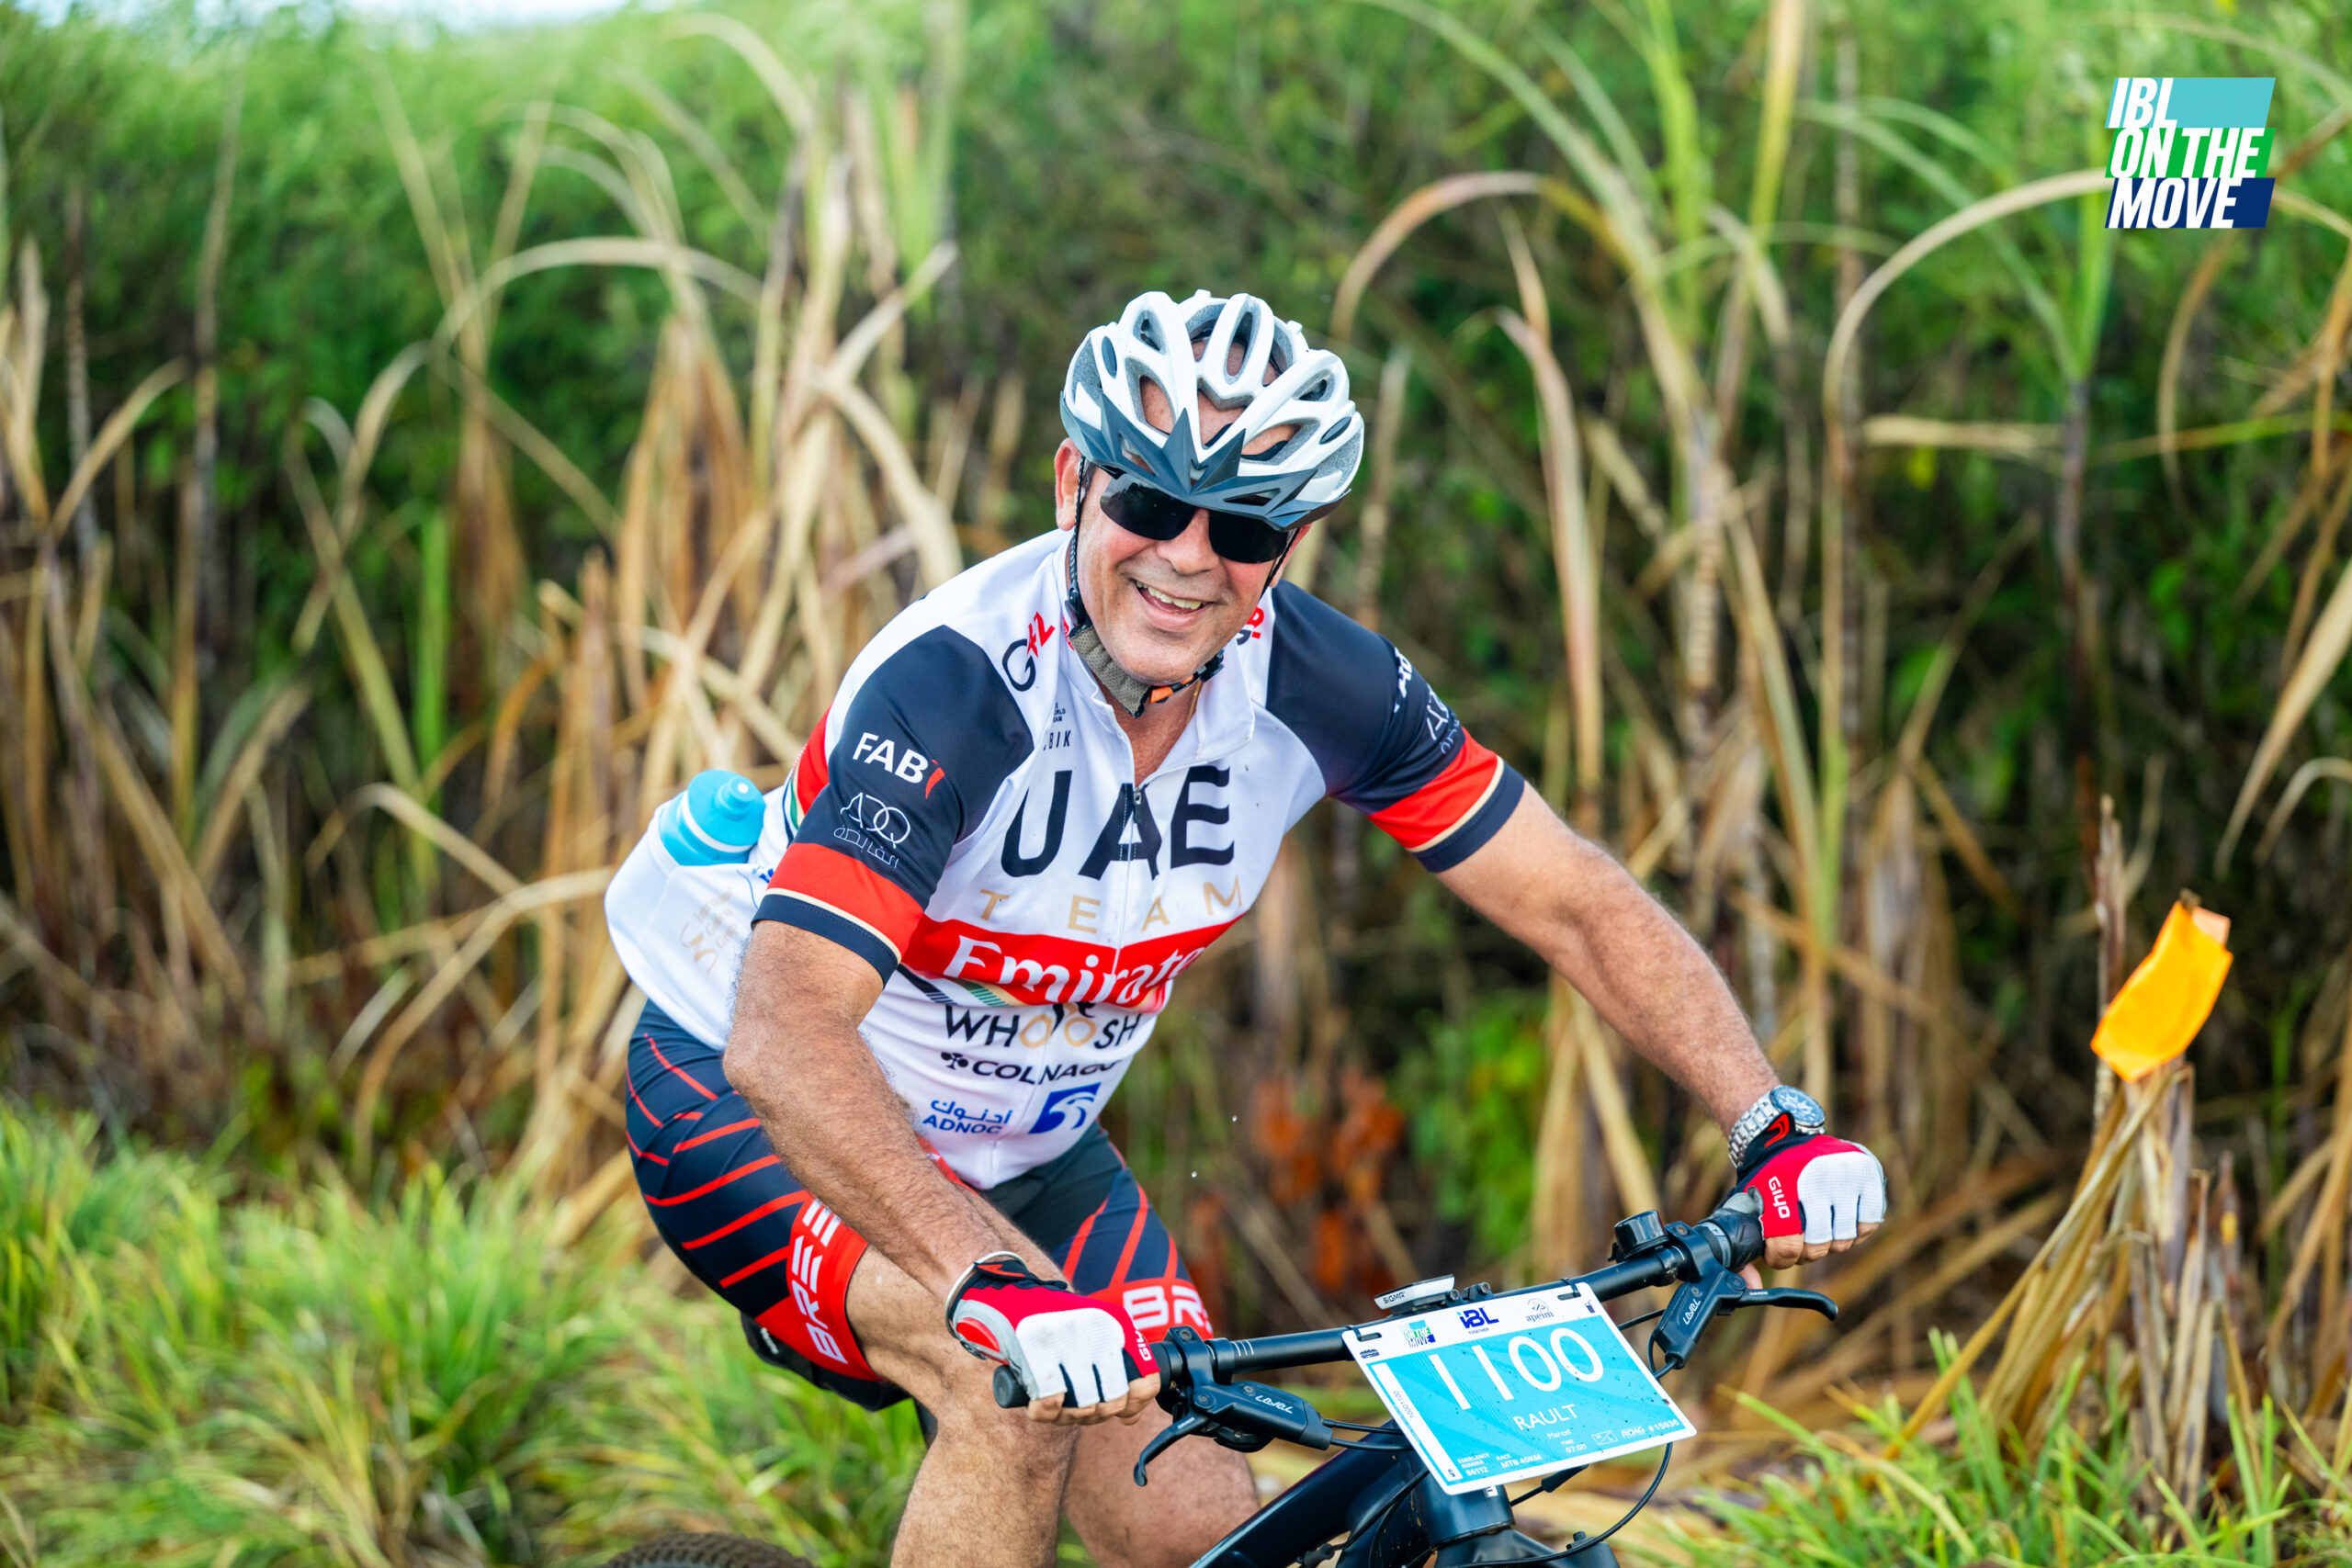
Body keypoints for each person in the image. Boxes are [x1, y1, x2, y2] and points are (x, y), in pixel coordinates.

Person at [605, 289, 1886, 1568]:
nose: (1186, 556)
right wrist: (987, 1280)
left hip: (1026, 1145)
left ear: (1292, 544)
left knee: (1203, 1533)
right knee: (1009, 1393)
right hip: (753, 1094)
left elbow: (1576, 902)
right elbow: (786, 1030)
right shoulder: (956, 686)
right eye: (1148, 502)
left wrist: (1771, 1122)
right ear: (1073, 483)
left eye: (1245, 525)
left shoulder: (1326, 685)